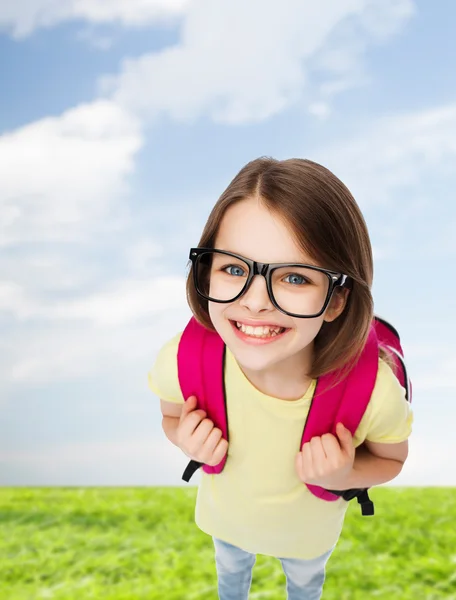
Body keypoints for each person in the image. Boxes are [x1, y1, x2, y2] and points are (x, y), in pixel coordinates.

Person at [148, 157, 413, 600]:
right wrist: (184, 438)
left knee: (305, 584)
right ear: (205, 270)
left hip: (307, 537)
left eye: (293, 277)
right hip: (226, 522)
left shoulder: (374, 392)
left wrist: (346, 472)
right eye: (233, 268)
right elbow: (170, 414)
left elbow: (392, 459)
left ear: (336, 300)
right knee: (230, 572)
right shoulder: (184, 356)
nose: (254, 302)